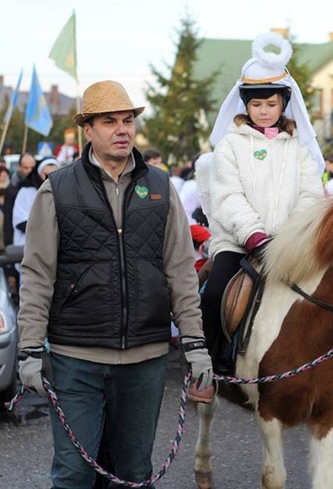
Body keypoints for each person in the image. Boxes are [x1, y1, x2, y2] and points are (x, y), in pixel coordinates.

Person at [15, 79, 212, 487]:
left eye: (128, 120)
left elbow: (180, 269)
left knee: (134, 474)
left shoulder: (160, 187)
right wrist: (30, 348)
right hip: (75, 358)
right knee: (74, 474)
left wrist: (195, 344)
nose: (122, 129)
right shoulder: (57, 189)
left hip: (146, 358)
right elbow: (37, 273)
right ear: (88, 130)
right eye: (110, 121)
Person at [197, 31, 324, 396]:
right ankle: (210, 365)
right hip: (239, 241)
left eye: (270, 104)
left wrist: (288, 237)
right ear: (245, 106)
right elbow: (227, 196)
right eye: (256, 105)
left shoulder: (297, 147)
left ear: (283, 104)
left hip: (289, 242)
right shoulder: (229, 147)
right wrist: (254, 235)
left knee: (332, 284)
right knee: (214, 291)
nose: (264, 111)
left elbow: (310, 194)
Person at [12, 158, 59, 247]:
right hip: (29, 244)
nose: (50, 178)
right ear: (39, 174)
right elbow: (20, 221)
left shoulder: (62, 192)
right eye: (46, 174)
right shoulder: (26, 192)